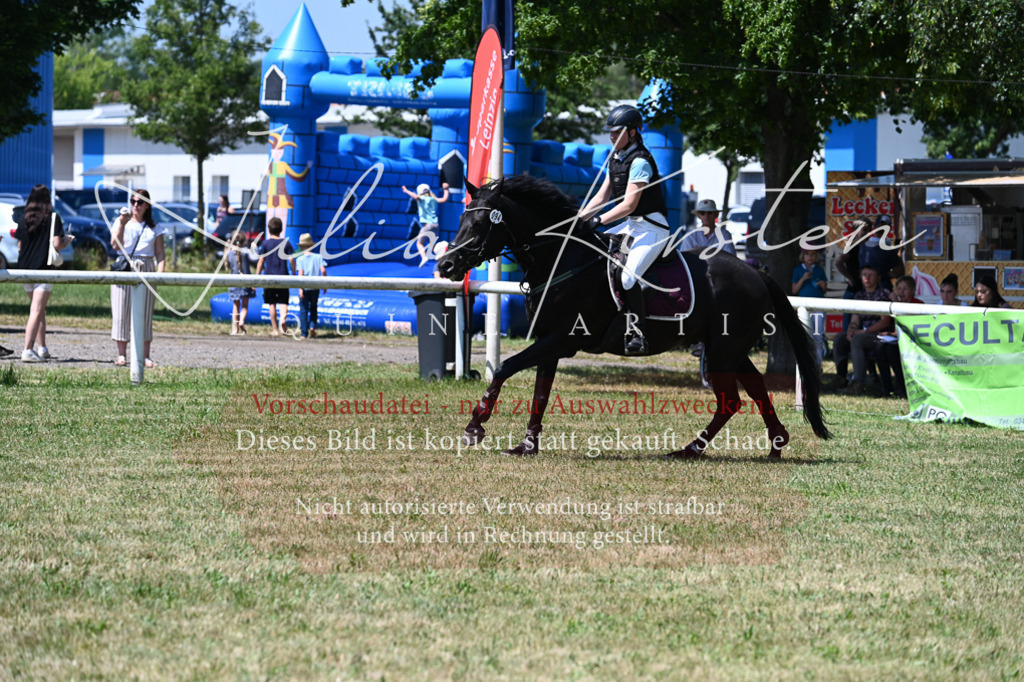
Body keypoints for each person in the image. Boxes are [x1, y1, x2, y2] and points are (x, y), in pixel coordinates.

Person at [579, 104, 670, 355]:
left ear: (631, 132)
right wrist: (577, 219)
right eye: (610, 132)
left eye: (616, 132)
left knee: (629, 277)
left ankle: (638, 333)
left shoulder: (640, 161)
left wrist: (598, 221)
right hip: (631, 225)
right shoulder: (616, 157)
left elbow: (629, 205)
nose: (611, 136)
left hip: (652, 228)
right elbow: (599, 198)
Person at [13, 184, 73, 362]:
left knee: (38, 310)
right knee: (37, 310)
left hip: (24, 270)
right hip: (43, 269)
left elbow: (19, 247)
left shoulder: (23, 219)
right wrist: (67, 241)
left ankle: (42, 347)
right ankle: (27, 350)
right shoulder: (53, 218)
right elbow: (56, 244)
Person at [110, 189, 165, 367]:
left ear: (147, 205)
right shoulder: (121, 221)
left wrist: (160, 275)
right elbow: (114, 245)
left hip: (147, 266)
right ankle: (121, 354)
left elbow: (160, 254)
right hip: (125, 265)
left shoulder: (155, 227)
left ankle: (145, 355)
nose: (135, 205)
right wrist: (122, 223)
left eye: (139, 202)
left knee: (146, 312)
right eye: (132, 201)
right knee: (121, 310)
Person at [832, 264, 893, 395]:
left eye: (871, 275)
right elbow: (855, 319)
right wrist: (851, 330)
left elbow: (885, 321)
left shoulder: (883, 294)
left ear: (878, 278)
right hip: (863, 333)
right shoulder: (859, 295)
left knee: (857, 340)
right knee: (839, 338)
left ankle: (858, 383)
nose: (867, 278)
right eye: (865, 275)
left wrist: (863, 332)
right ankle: (841, 378)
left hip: (879, 334)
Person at [874, 275, 923, 398]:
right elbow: (896, 329)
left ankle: (902, 387)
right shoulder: (896, 304)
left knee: (892, 350)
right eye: (899, 289)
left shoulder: (919, 304)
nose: (901, 292)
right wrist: (889, 334)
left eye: (905, 289)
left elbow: (911, 326)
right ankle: (886, 387)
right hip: (898, 338)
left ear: (912, 290)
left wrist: (896, 303)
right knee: (879, 347)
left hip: (913, 340)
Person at [256, 216, 294, 335]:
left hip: (269, 277)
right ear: (281, 229)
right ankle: (283, 319)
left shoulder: (265, 243)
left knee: (272, 303)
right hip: (283, 276)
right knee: (283, 302)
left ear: (268, 229)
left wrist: (256, 276)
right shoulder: (286, 243)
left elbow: (261, 261)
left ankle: (275, 329)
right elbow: (292, 259)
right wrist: (294, 273)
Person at [792, 247, 828, 364]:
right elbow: (794, 291)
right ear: (803, 256)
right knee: (805, 335)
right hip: (803, 307)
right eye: (807, 254)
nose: (810, 257)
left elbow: (824, 290)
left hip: (819, 306)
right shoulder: (798, 270)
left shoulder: (820, 270)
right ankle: (806, 363)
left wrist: (823, 285)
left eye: (813, 254)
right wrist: (803, 279)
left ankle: (818, 364)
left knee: (818, 335)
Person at [401, 182, 450, 266]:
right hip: (435, 225)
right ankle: (442, 253)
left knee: (419, 243)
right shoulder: (433, 199)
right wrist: (446, 190)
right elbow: (444, 199)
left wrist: (406, 191)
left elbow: (416, 197)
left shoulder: (422, 198)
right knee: (432, 245)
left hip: (428, 225)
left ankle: (424, 257)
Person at [293, 233, 327, 340]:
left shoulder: (300, 259)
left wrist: (300, 289)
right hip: (315, 287)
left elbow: (301, 274)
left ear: (301, 246)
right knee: (313, 308)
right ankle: (312, 326)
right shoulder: (318, 257)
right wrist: (324, 284)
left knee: (303, 310)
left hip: (305, 287)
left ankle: (304, 333)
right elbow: (323, 270)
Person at [226, 232, 258, 335]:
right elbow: (255, 260)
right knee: (244, 306)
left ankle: (235, 329)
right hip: (246, 281)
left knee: (235, 305)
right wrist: (254, 248)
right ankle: (242, 321)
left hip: (234, 282)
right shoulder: (246, 252)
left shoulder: (230, 253)